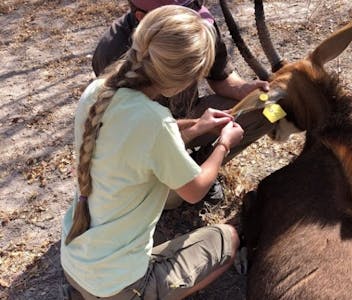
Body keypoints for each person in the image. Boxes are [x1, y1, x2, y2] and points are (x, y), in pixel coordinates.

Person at [61, 6, 242, 300]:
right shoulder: (156, 122)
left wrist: (198, 125)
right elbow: (195, 190)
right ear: (183, 79)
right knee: (227, 240)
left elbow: (144, 138)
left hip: (73, 265)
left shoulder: (97, 91)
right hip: (119, 288)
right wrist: (224, 144)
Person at [92, 0, 273, 207]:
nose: (194, 77)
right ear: (143, 18)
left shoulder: (197, 25)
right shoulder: (111, 52)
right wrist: (222, 145)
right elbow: (138, 138)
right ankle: (189, 174)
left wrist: (242, 91)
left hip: (175, 125)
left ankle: (199, 164)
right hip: (143, 147)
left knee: (265, 110)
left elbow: (221, 77)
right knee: (170, 199)